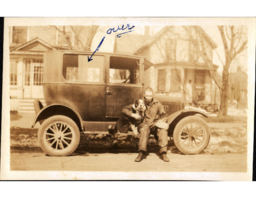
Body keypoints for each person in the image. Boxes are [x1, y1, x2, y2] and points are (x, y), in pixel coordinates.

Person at [122, 87, 170, 162]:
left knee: (162, 129)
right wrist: (133, 115)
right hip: (143, 124)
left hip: (154, 125)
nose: (148, 98)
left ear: (152, 95)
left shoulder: (157, 104)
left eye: (150, 96)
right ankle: (141, 152)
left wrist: (161, 121)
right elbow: (124, 109)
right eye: (147, 96)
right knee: (145, 127)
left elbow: (164, 116)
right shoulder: (140, 102)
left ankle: (163, 153)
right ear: (144, 95)